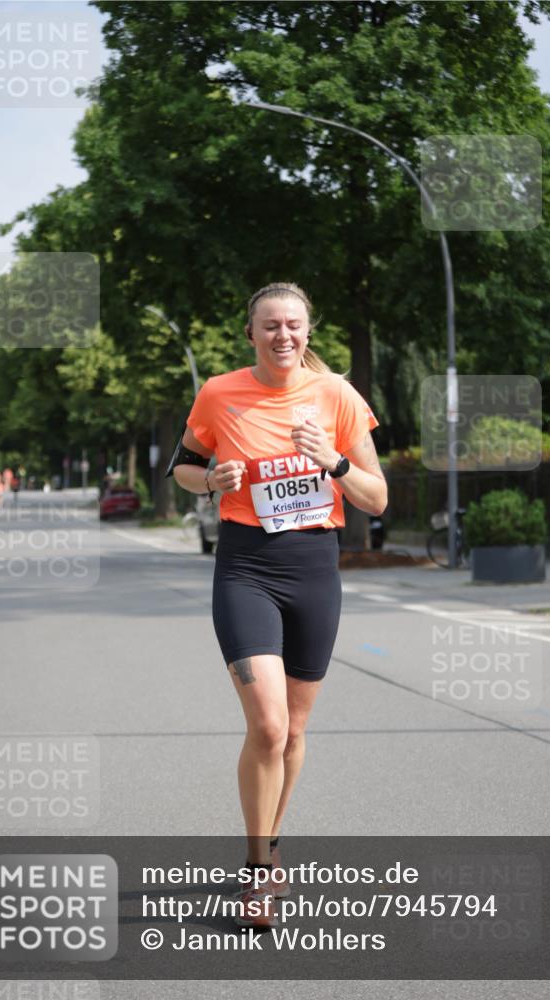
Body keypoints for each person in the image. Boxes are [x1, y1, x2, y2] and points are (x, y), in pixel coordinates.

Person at [171, 282, 388, 928]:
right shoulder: (218, 392)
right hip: (245, 567)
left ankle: (270, 844)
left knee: (293, 730)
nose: (282, 335)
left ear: (307, 331)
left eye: (293, 325)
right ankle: (259, 872)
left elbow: (376, 500)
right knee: (266, 724)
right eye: (270, 326)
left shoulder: (337, 396)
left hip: (314, 568)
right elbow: (182, 467)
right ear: (250, 334)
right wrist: (209, 479)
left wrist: (336, 463)